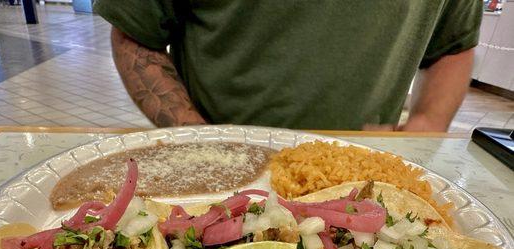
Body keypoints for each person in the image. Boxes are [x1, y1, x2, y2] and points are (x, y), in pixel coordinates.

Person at [94, 1, 482, 132]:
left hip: (364, 171)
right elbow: (135, 30)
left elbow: (454, 44)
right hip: (219, 167)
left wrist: (428, 122)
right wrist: (199, 140)